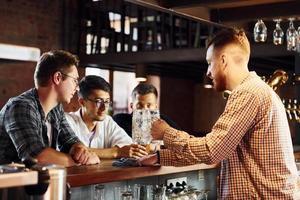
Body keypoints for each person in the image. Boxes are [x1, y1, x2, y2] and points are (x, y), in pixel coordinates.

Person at [138, 28, 300, 199]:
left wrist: (166, 133)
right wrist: (159, 157)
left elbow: (211, 151)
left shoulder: (248, 93)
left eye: (209, 62)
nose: (208, 72)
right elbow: (219, 148)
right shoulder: (257, 90)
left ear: (223, 60)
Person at [0, 50, 100, 167]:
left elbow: (70, 140)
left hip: (35, 181)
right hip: (9, 183)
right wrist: (79, 161)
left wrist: (81, 150)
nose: (77, 88)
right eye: (74, 80)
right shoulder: (20, 107)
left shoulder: (56, 109)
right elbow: (37, 157)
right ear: (57, 77)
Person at [65, 75, 148, 159]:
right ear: (82, 102)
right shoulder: (67, 121)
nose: (104, 108)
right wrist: (116, 152)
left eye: (107, 101)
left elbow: (128, 146)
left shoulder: (107, 121)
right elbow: (76, 152)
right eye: (98, 101)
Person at [113, 83, 179, 137]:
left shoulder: (164, 122)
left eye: (149, 105)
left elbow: (183, 141)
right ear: (131, 106)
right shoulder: (119, 120)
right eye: (139, 105)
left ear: (156, 107)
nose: (145, 110)